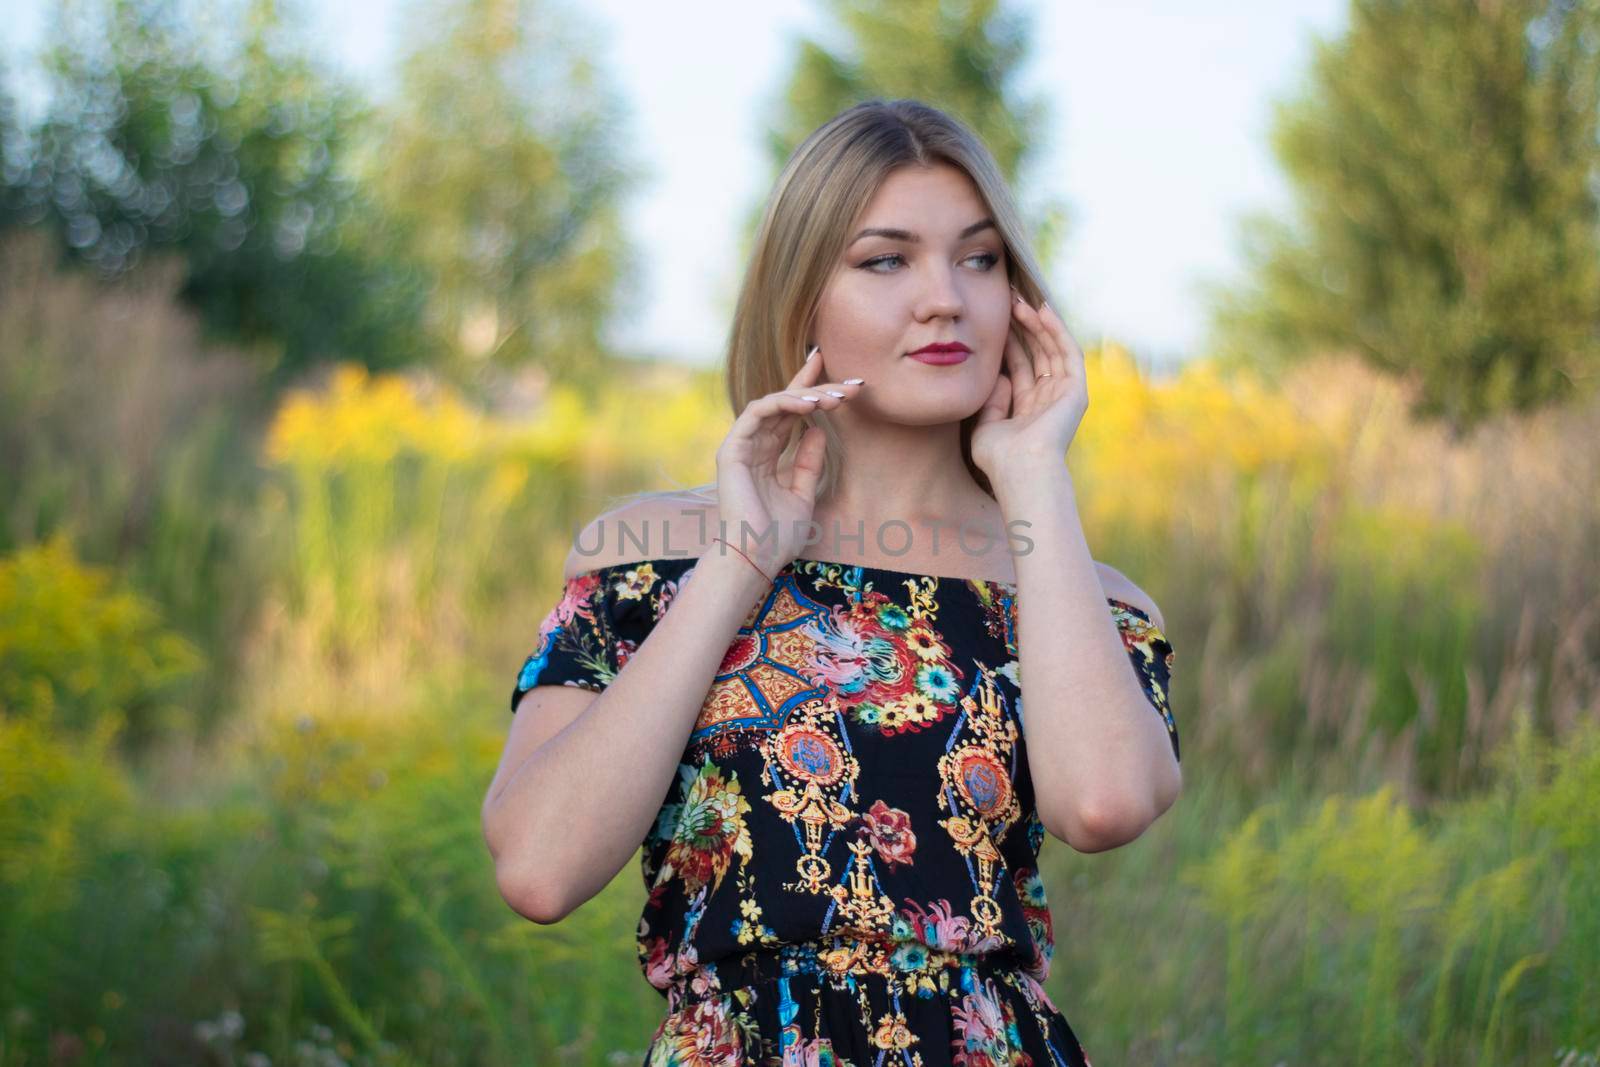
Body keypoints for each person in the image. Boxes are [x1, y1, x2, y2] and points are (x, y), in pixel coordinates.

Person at [482, 98, 1181, 1067]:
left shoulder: (1083, 597)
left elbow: (1103, 803)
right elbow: (539, 866)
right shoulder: (648, 557)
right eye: (885, 259)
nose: (945, 297)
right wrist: (740, 562)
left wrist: (1034, 477)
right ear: (799, 294)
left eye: (979, 258)